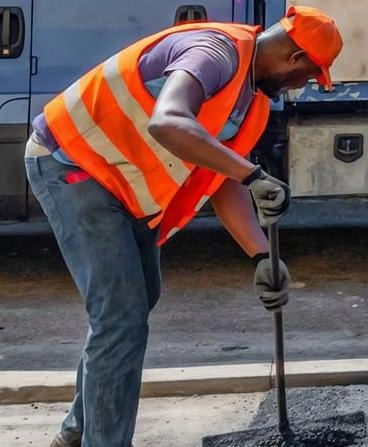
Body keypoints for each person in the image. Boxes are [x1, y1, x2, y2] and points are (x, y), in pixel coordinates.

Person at [24, 6, 342, 447]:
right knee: (121, 318)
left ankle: (75, 432)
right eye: (309, 75)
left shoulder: (250, 102)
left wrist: (260, 256)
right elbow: (168, 121)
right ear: (293, 58)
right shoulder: (215, 53)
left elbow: (219, 181)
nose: (302, 85)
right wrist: (253, 175)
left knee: (135, 304)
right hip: (72, 164)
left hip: (119, 181)